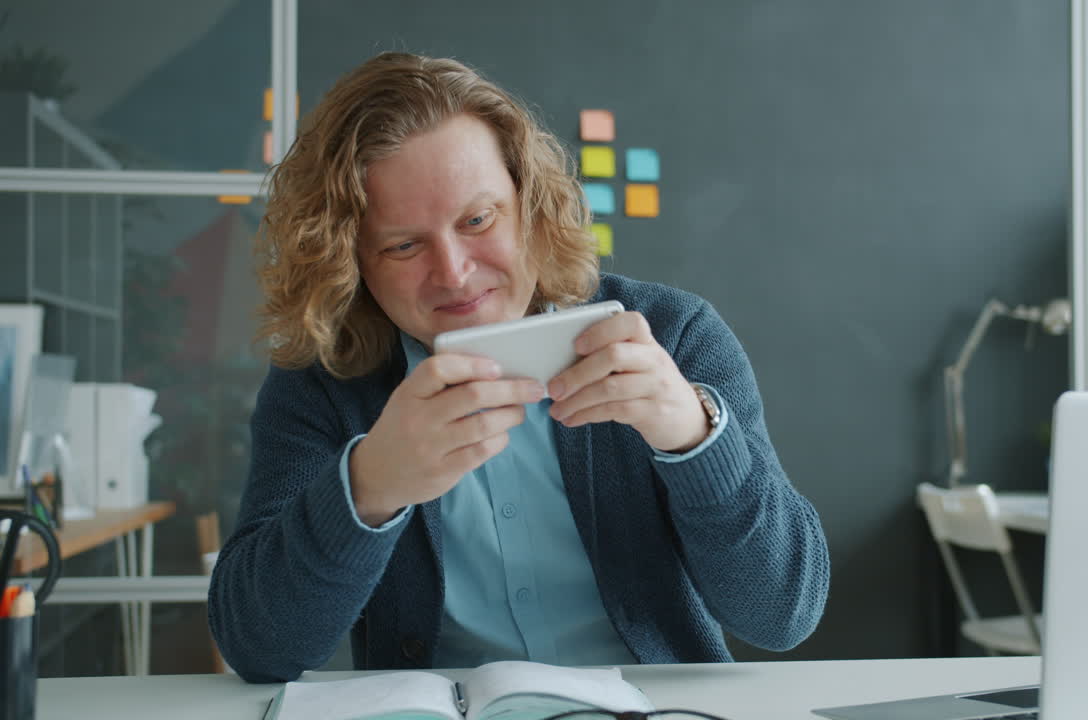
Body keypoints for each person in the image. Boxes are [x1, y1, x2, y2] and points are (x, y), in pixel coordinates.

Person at [208, 52, 829, 683]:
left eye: (477, 220)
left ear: (530, 203)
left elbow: (783, 615)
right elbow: (259, 648)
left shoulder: (675, 335)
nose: (453, 272)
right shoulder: (325, 382)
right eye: (403, 245)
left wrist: (696, 441)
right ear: (352, 260)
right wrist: (368, 488)